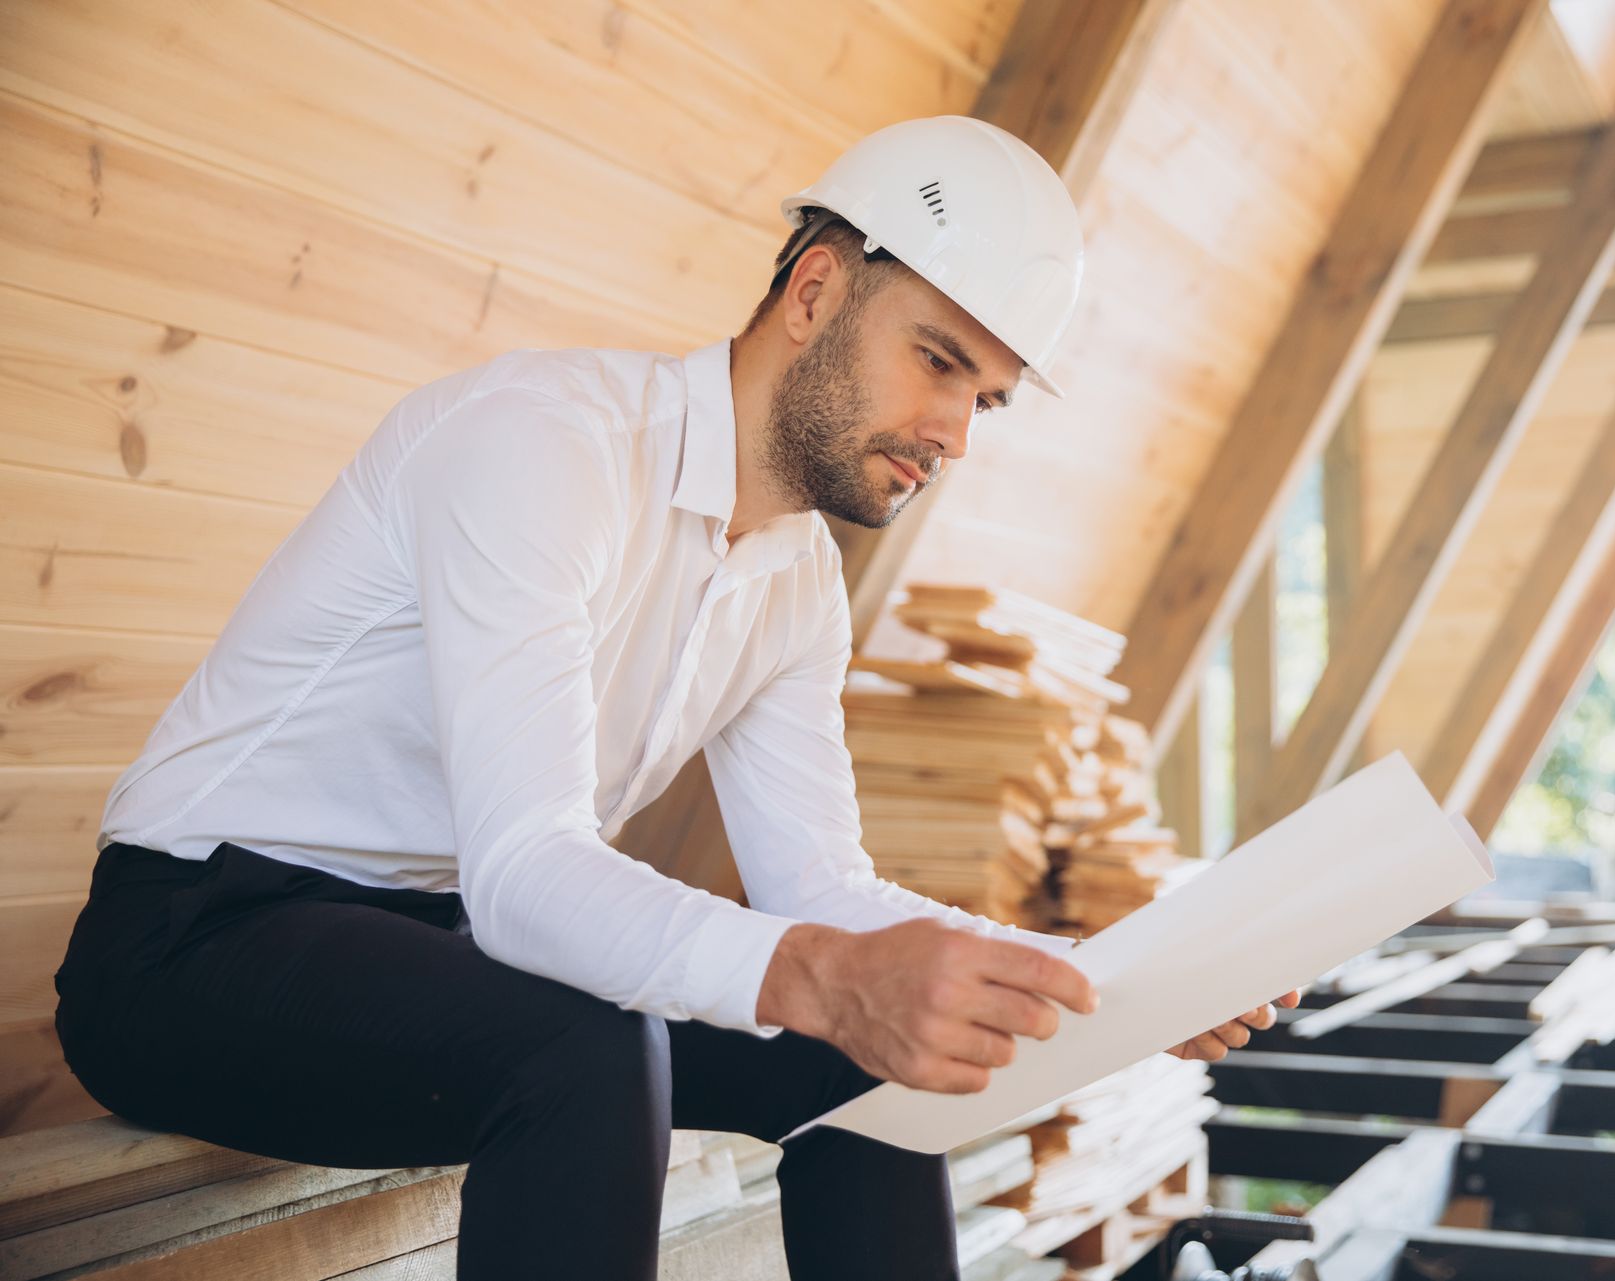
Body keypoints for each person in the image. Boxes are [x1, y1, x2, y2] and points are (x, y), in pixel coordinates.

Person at [52, 114, 1293, 1280]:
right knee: (590, 1047)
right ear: (814, 292)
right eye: (937, 360)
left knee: (846, 1063)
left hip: (432, 944)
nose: (956, 432)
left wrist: (1091, 975)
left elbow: (825, 893)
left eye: (988, 398)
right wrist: (821, 976)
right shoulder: (543, 443)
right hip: (191, 945)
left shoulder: (798, 580)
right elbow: (530, 871)